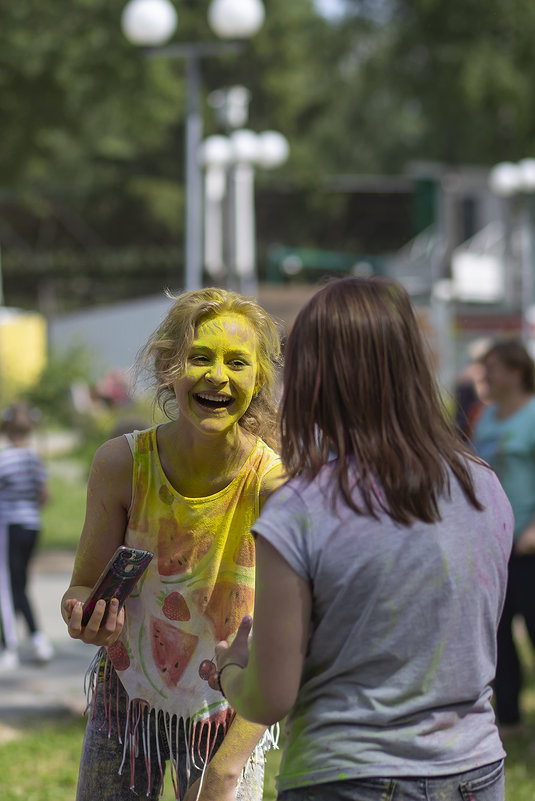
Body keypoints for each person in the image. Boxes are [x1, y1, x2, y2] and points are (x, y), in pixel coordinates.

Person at [215, 276, 513, 801]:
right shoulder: (483, 485)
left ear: (315, 378)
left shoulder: (301, 508)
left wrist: (231, 667)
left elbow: (269, 698)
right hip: (475, 771)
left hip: (347, 776)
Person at [61, 288, 284, 801]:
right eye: (199, 357)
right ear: (168, 368)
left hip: (227, 708)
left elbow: (288, 641)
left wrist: (229, 767)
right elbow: (82, 584)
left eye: (236, 362)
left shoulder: (274, 487)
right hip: (125, 697)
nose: (216, 376)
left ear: (259, 380)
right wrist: (82, 613)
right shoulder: (122, 465)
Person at [473, 339, 535, 732]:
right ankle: (509, 716)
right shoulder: (487, 415)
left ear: (515, 371)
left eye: (492, 368)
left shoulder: (532, 415)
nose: (485, 376)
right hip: (494, 544)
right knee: (497, 634)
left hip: (529, 545)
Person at [0, 401, 53, 669]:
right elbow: (44, 495)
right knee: (19, 584)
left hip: (8, 527)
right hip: (32, 526)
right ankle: (36, 638)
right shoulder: (34, 459)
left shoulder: (4, 458)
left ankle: (8, 647)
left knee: (7, 587)